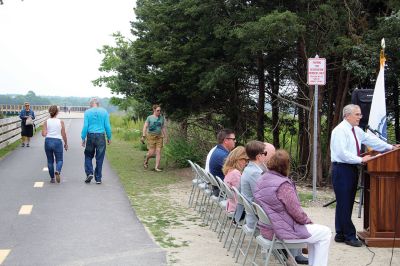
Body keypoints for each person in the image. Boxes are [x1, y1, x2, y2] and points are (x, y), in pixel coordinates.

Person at [330, 104, 395, 247]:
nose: (360, 117)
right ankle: (349, 236)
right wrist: (361, 159)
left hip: (350, 169)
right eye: (357, 114)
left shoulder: (356, 130)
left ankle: (340, 233)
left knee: (344, 203)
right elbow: (342, 153)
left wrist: (391, 147)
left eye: (360, 114)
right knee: (345, 203)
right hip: (342, 169)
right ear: (347, 115)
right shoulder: (340, 131)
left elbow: (371, 140)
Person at [255, 149, 332, 266]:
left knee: (316, 235)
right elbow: (296, 212)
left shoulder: (262, 179)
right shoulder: (283, 185)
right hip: (280, 231)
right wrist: (308, 222)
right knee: (325, 232)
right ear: (286, 165)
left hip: (267, 228)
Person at [81, 98, 112, 184]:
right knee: (100, 157)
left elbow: (85, 126)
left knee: (88, 155)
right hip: (101, 136)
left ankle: (89, 173)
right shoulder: (104, 112)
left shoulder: (87, 112)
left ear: (91, 104)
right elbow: (107, 126)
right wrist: (109, 137)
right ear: (98, 104)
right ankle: (98, 178)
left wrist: (83, 138)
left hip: (90, 136)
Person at [41, 105, 68, 183]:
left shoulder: (46, 121)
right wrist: (66, 143)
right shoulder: (61, 122)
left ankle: (52, 178)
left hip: (48, 141)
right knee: (59, 160)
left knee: (50, 161)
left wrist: (46, 132)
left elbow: (43, 134)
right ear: (57, 112)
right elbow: (64, 134)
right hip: (57, 142)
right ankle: (58, 171)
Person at [208, 128, 236, 196]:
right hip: (222, 190)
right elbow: (236, 171)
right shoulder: (222, 155)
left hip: (219, 188)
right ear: (226, 140)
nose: (235, 141)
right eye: (233, 139)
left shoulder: (218, 150)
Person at [141, 104, 167, 172]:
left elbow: (163, 127)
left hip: (159, 137)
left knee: (158, 151)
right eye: (158, 110)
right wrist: (143, 135)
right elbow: (145, 126)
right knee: (151, 153)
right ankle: (146, 160)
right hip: (151, 136)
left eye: (160, 110)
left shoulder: (161, 118)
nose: (159, 112)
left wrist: (165, 136)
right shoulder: (149, 117)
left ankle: (156, 167)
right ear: (154, 110)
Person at [222, 146, 248, 213]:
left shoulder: (230, 170)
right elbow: (241, 194)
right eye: (245, 160)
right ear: (238, 159)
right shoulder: (235, 173)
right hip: (237, 209)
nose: (246, 163)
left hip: (231, 205)